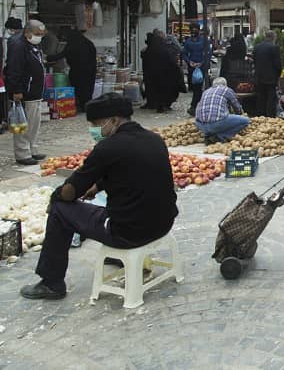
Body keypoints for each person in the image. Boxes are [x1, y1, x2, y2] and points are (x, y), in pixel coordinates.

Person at [19, 94, 178, 300]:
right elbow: (130, 171)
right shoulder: (154, 139)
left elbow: (71, 192)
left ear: (113, 121)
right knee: (116, 207)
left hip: (128, 233)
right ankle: (118, 257)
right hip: (163, 223)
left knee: (60, 209)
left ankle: (51, 282)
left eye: (96, 124)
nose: (93, 130)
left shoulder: (107, 148)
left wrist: (56, 196)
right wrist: (98, 185)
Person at [5, 19, 47, 165]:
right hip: (24, 91)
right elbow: (14, 69)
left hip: (35, 91)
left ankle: (32, 149)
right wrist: (16, 89)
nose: (39, 36)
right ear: (27, 32)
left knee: (34, 123)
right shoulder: (18, 45)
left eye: (42, 34)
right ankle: (22, 153)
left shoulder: (33, 44)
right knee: (22, 123)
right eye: (37, 34)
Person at [46, 29, 97, 112]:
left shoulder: (73, 44)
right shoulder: (89, 43)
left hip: (77, 71)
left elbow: (61, 55)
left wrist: (47, 58)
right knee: (88, 89)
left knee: (78, 89)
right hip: (90, 71)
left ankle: (80, 105)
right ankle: (87, 106)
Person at [195, 77, 250, 143]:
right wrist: (240, 115)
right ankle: (220, 136)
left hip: (201, 126)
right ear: (225, 84)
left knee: (218, 120)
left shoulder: (205, 91)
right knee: (245, 121)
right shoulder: (226, 90)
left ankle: (209, 136)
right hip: (216, 124)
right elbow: (237, 107)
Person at [141, 33, 182, 113]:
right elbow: (171, 61)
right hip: (165, 75)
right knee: (164, 91)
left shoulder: (150, 50)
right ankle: (163, 105)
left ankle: (157, 104)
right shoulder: (164, 49)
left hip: (154, 75)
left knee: (156, 90)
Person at [182, 23, 210, 116]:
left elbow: (208, 53)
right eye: (192, 29)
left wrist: (202, 62)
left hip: (202, 67)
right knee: (195, 88)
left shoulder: (204, 41)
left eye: (195, 29)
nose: (194, 31)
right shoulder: (188, 42)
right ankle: (198, 105)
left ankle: (194, 106)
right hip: (192, 67)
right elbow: (184, 53)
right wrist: (189, 62)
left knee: (199, 87)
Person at [253, 30, 282, 117]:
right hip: (271, 79)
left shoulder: (257, 47)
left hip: (259, 78)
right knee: (271, 100)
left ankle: (260, 117)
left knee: (261, 99)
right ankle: (270, 118)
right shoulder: (274, 47)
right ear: (273, 37)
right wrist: (278, 76)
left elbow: (254, 62)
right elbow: (278, 65)